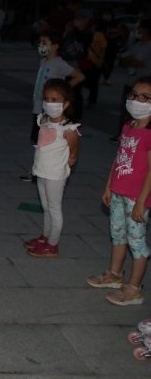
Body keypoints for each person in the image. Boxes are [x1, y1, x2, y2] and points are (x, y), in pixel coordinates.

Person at [86, 76, 151, 306]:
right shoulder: (128, 126)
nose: (136, 100)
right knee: (118, 235)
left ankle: (134, 288)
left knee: (137, 243)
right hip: (118, 192)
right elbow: (118, 158)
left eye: (145, 98)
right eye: (134, 95)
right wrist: (108, 186)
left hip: (137, 199)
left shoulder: (149, 134)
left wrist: (142, 202)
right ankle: (115, 274)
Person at [23, 79, 81, 258]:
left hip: (55, 174)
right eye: (46, 99)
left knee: (54, 208)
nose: (49, 103)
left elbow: (74, 147)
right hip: (42, 171)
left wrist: (72, 158)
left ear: (66, 104)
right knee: (46, 206)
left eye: (55, 100)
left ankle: (53, 244)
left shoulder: (67, 129)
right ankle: (45, 236)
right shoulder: (45, 120)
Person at [19, 30, 84, 181]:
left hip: (50, 110)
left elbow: (79, 76)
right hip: (39, 107)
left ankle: (44, 170)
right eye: (40, 42)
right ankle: (37, 169)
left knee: (47, 141)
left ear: (55, 46)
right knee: (37, 139)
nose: (41, 45)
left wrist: (63, 90)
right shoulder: (44, 62)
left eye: (44, 42)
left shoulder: (59, 63)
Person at [60, 9, 106, 120]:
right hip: (69, 65)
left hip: (78, 67)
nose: (77, 22)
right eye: (76, 19)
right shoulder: (73, 32)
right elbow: (64, 45)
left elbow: (79, 50)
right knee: (70, 91)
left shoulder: (88, 34)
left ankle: (74, 116)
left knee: (74, 91)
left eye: (80, 19)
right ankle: (70, 115)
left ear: (87, 21)